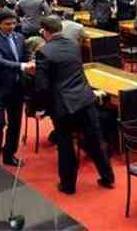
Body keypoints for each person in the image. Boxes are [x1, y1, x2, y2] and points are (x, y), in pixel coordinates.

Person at [33, 16, 114, 194]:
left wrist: (41, 108)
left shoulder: (44, 52)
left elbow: (42, 86)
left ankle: (68, 186)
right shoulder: (74, 45)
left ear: (44, 32)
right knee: (95, 140)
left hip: (63, 105)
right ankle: (108, 177)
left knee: (66, 145)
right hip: (85, 99)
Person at [0, 9, 33, 166]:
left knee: (15, 124)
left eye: (14, 23)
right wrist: (22, 66)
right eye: (7, 24)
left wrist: (31, 63)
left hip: (16, 87)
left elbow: (25, 57)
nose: (12, 26)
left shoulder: (19, 37)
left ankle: (9, 155)